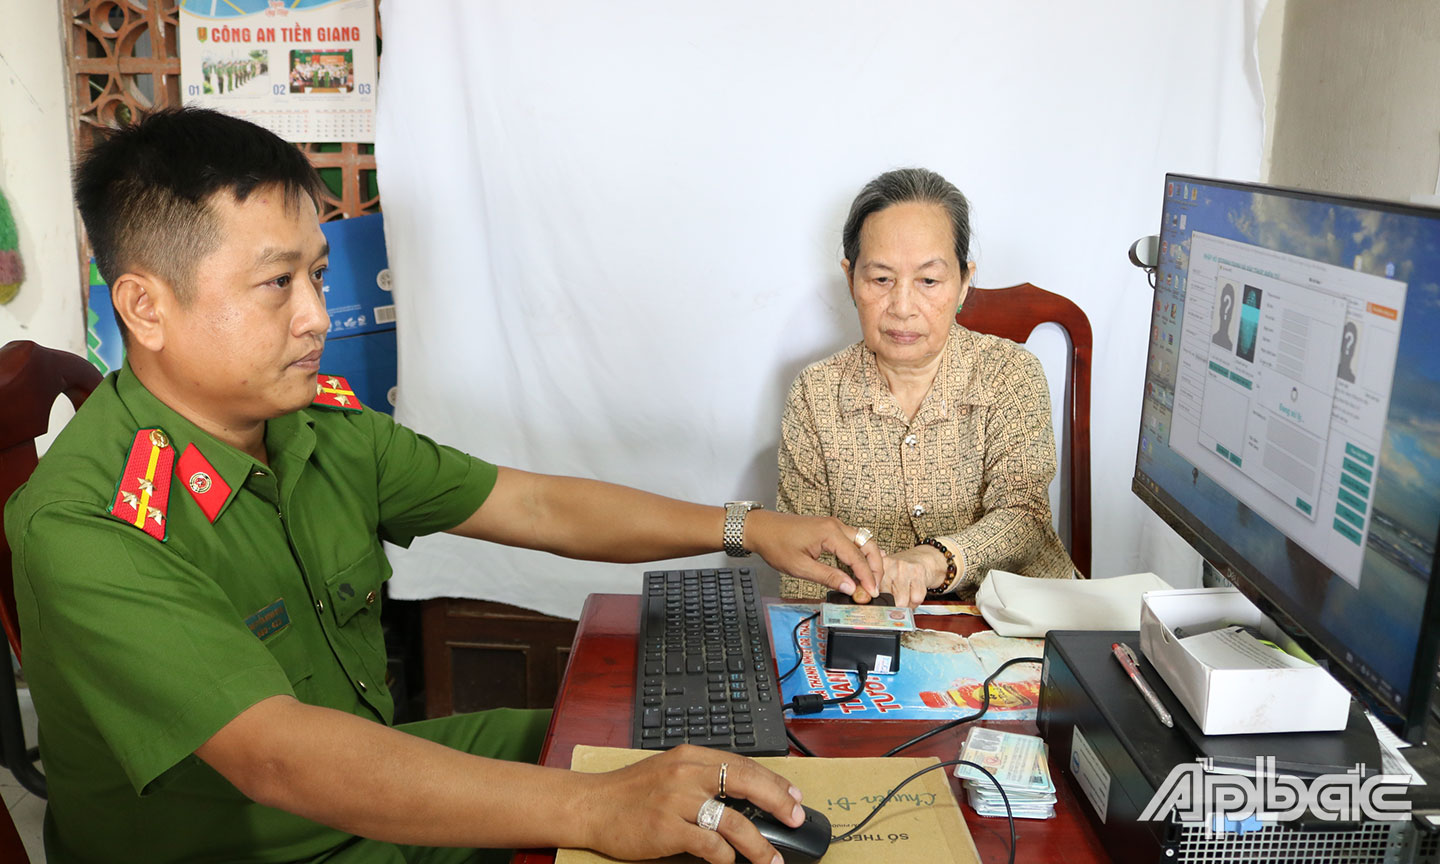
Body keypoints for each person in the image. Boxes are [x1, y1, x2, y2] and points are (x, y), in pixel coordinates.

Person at [4, 107, 883, 864]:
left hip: (366, 791)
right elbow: (279, 756)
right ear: (145, 306)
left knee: (658, 750)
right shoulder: (86, 523)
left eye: (317, 274)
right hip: (248, 843)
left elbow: (533, 504)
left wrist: (748, 527)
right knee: (629, 800)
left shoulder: (314, 430)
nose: (317, 316)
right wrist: (594, 808)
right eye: (277, 283)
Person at [776, 168, 1077, 607]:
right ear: (850, 280)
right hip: (873, 630)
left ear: (964, 282)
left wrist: (934, 561)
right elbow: (803, 567)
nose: (902, 307)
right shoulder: (815, 394)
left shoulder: (1010, 374)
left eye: (929, 281)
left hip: (1017, 622)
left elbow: (1023, 516)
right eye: (881, 279)